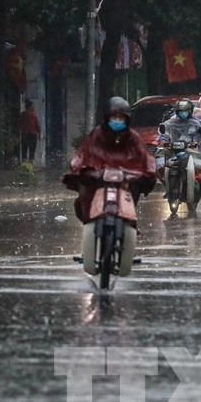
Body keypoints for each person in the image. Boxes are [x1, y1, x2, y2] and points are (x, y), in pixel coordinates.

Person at [63, 97, 156, 276]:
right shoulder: (96, 136)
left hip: (127, 180)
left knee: (135, 188)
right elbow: (81, 155)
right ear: (106, 118)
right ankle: (90, 229)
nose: (117, 122)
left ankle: (130, 225)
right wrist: (80, 169)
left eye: (121, 119)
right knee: (85, 194)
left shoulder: (134, 138)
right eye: (114, 118)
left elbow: (146, 159)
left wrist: (147, 174)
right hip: (98, 178)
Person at [160, 98, 201, 195]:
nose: (183, 113)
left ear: (190, 111)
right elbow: (164, 133)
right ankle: (168, 186)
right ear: (177, 111)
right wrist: (163, 141)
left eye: (185, 111)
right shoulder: (171, 122)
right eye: (181, 111)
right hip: (174, 151)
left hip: (193, 151)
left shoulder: (198, 123)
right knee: (159, 163)